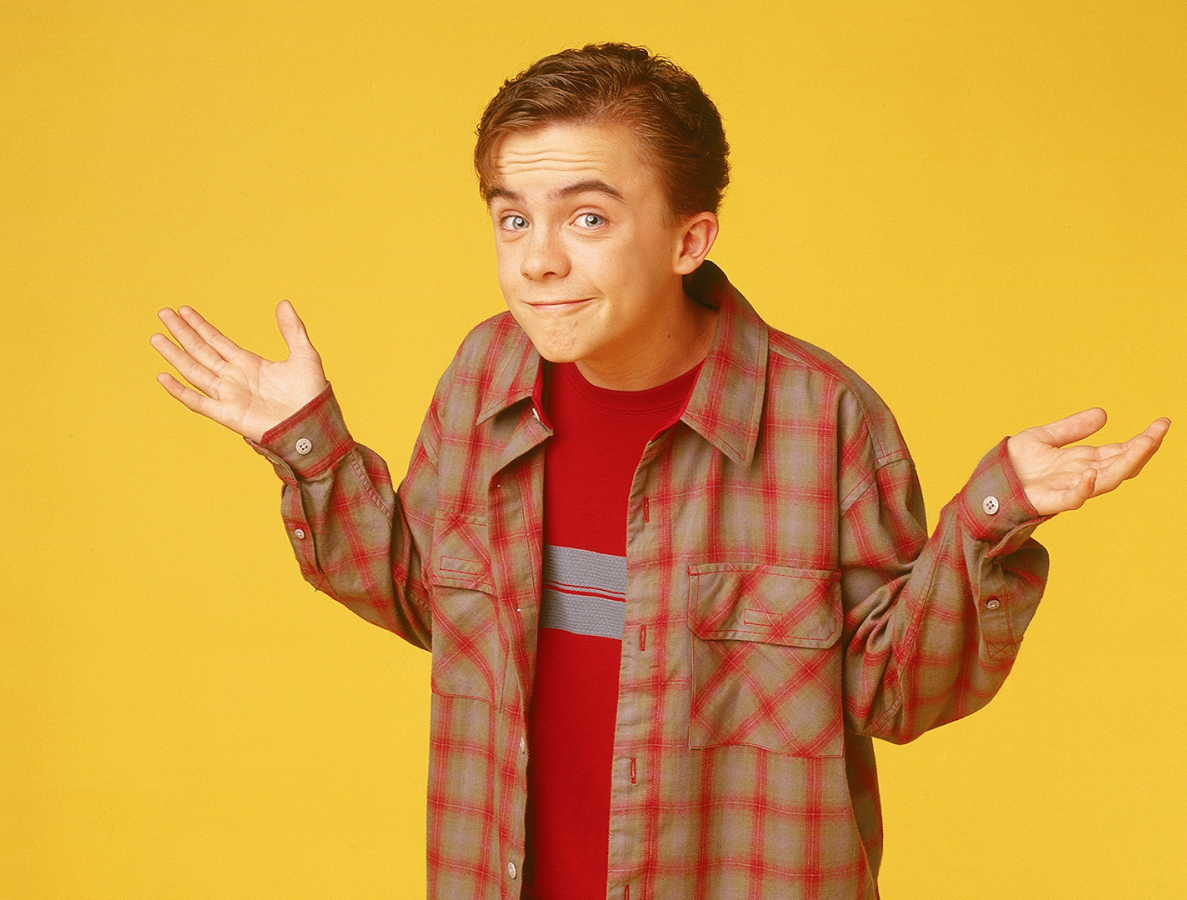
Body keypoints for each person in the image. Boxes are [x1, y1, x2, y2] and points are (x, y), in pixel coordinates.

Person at [150, 42, 1169, 900]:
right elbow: (431, 603)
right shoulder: (481, 377)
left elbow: (894, 694)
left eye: (587, 218)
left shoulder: (821, 419)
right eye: (513, 218)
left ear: (689, 239)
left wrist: (989, 517)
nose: (537, 260)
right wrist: (307, 444)